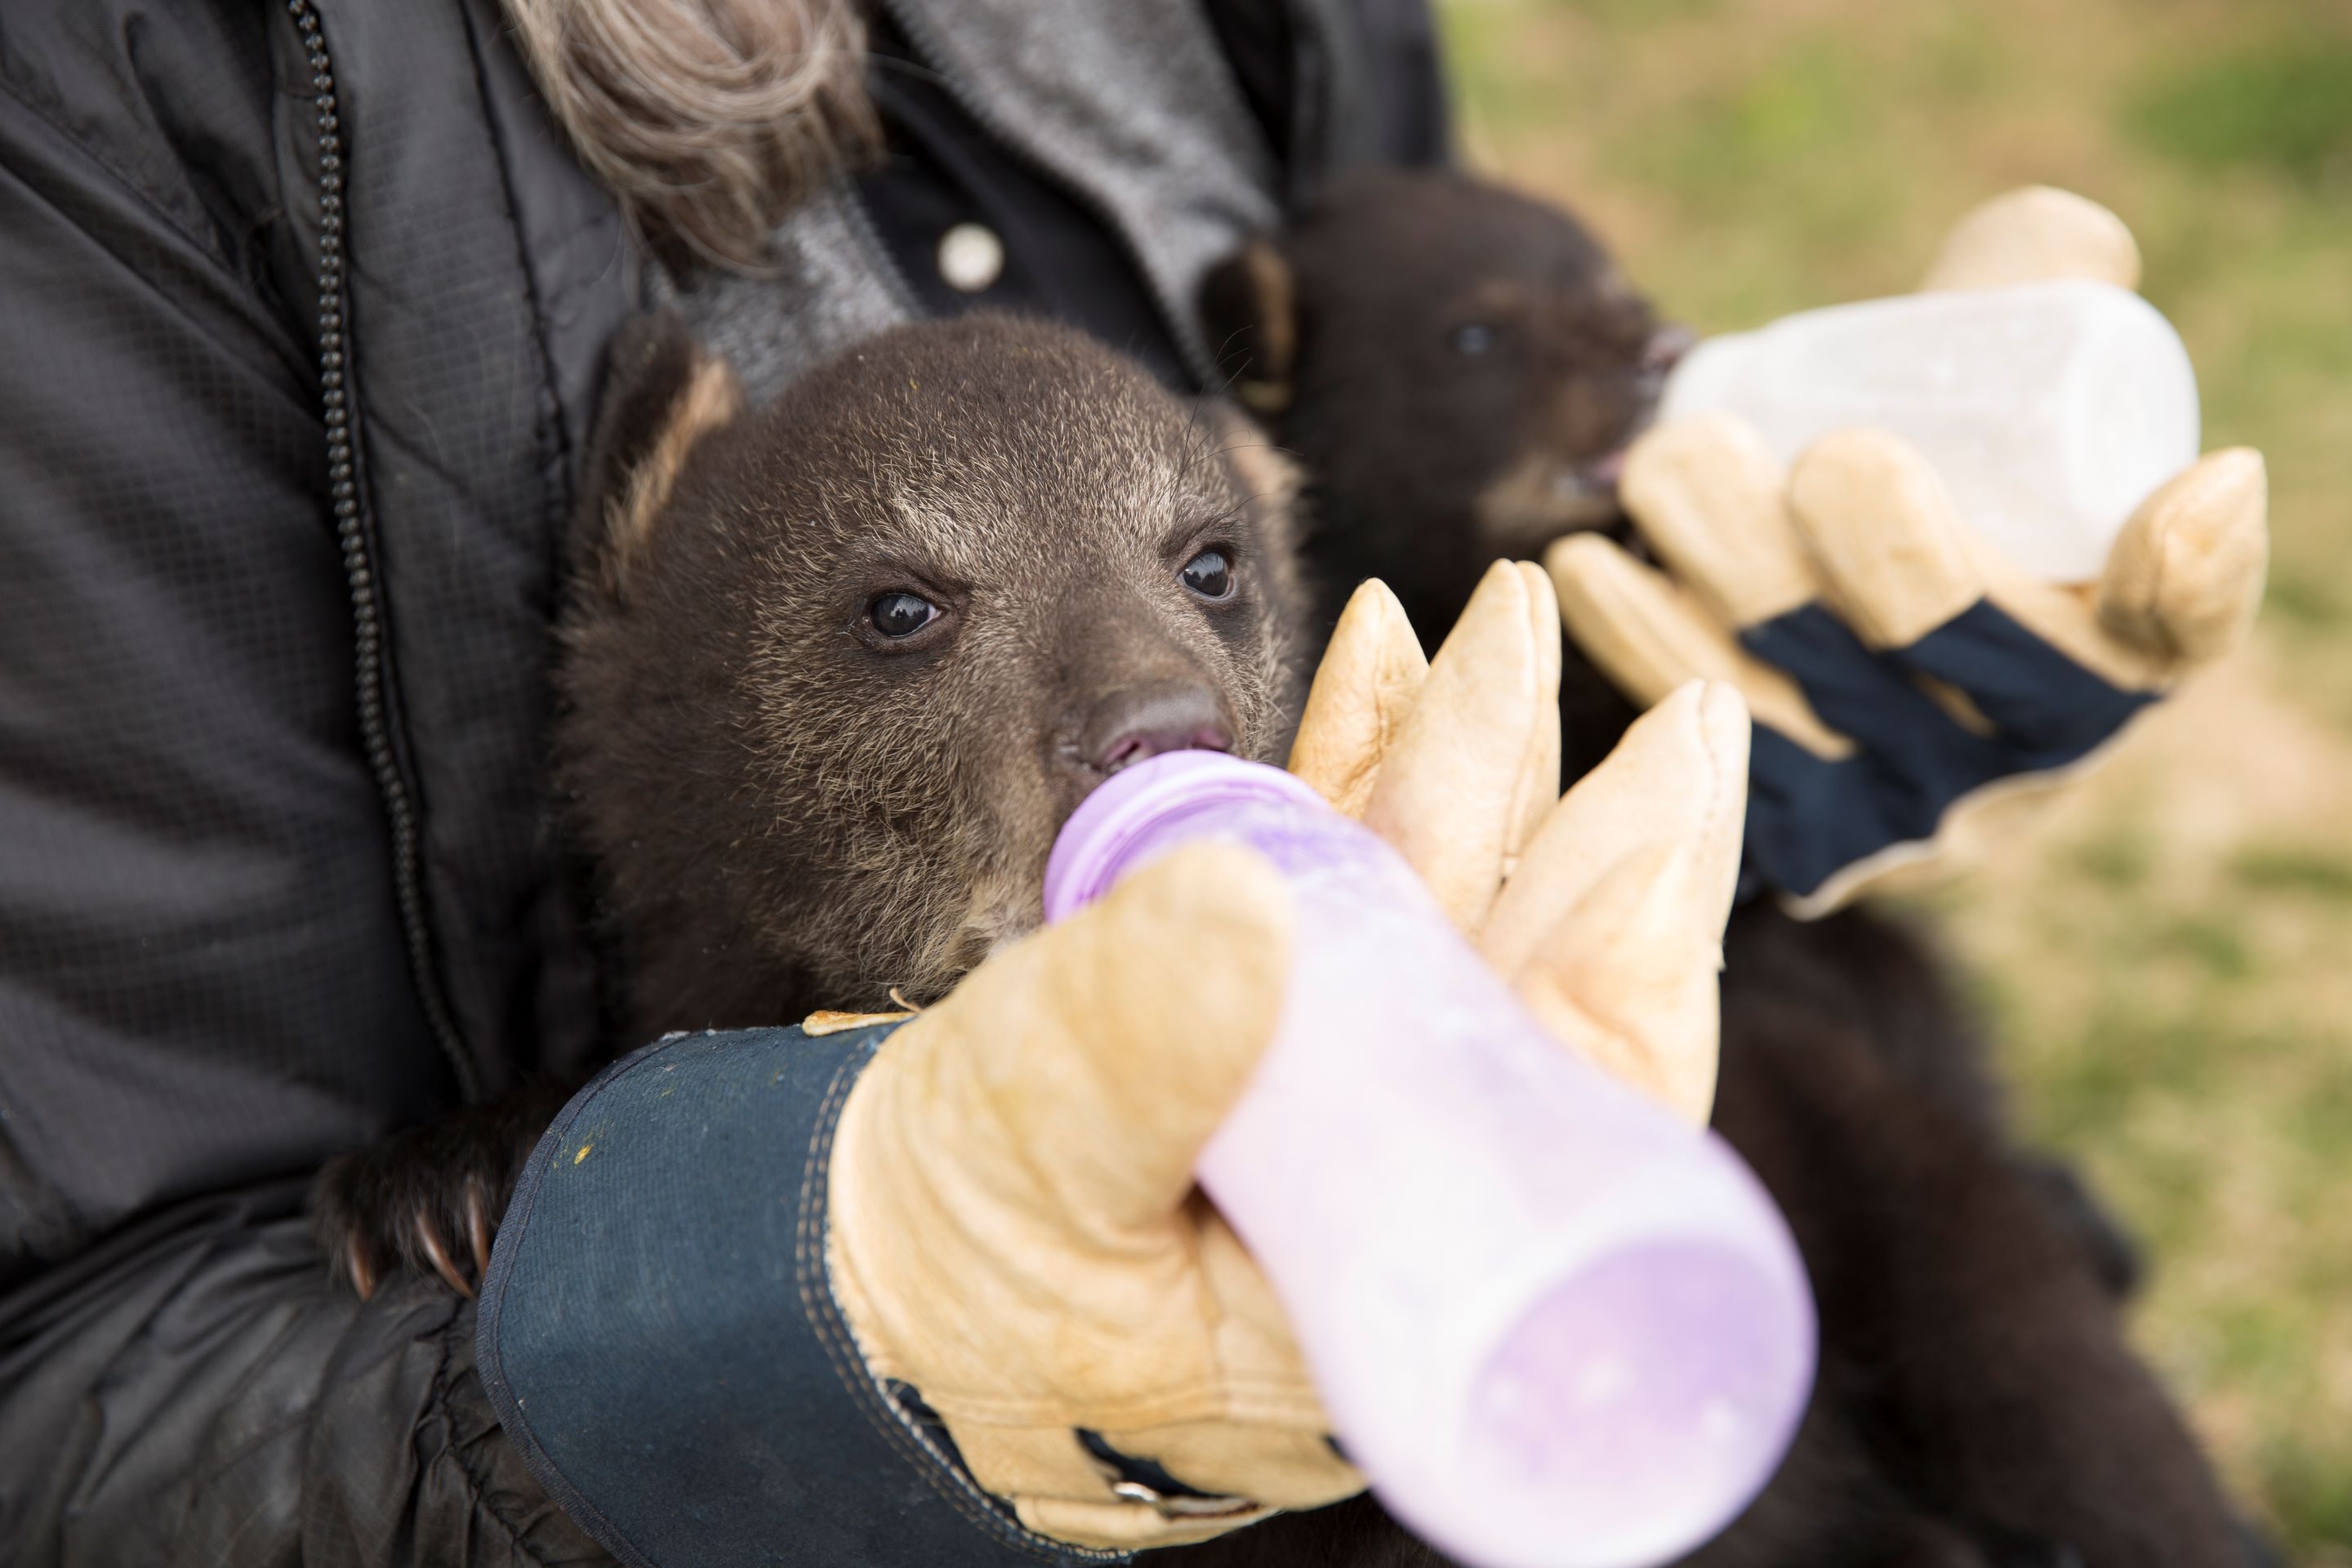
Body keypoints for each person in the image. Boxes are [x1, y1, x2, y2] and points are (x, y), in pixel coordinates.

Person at [0, 2, 2264, 1565]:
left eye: (1201, 580)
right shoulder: (97, 98)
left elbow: (1384, 530)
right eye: (909, 621)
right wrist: (725, 1300)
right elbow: (92, 1379)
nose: (1162, 694)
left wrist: (1745, 693)